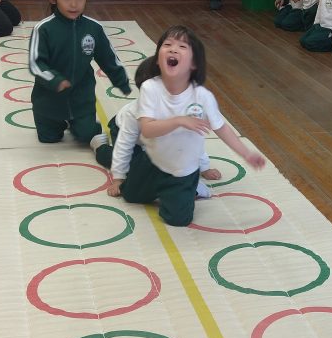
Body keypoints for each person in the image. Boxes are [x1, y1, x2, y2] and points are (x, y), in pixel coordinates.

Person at [113, 25, 265, 226]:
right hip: (153, 162)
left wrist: (246, 154)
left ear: (194, 64)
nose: (173, 49)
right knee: (130, 196)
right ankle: (165, 189)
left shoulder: (202, 97)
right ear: (158, 59)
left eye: (182, 46)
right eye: (167, 45)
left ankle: (188, 187)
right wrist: (179, 121)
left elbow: (221, 129)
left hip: (182, 170)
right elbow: (148, 130)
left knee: (178, 220)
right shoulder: (150, 88)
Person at [28, 0, 131, 145]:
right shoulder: (43, 29)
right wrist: (55, 80)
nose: (74, 4)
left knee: (87, 135)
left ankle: (78, 123)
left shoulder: (94, 28)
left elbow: (109, 58)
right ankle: (55, 123)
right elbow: (36, 63)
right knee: (49, 138)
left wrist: (121, 81)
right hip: (48, 101)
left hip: (81, 99)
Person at [93, 58, 221, 200]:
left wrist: (204, 167)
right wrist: (118, 179)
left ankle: (186, 185)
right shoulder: (134, 113)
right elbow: (124, 147)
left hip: (155, 141)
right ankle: (100, 148)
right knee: (135, 170)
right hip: (124, 132)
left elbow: (192, 141)